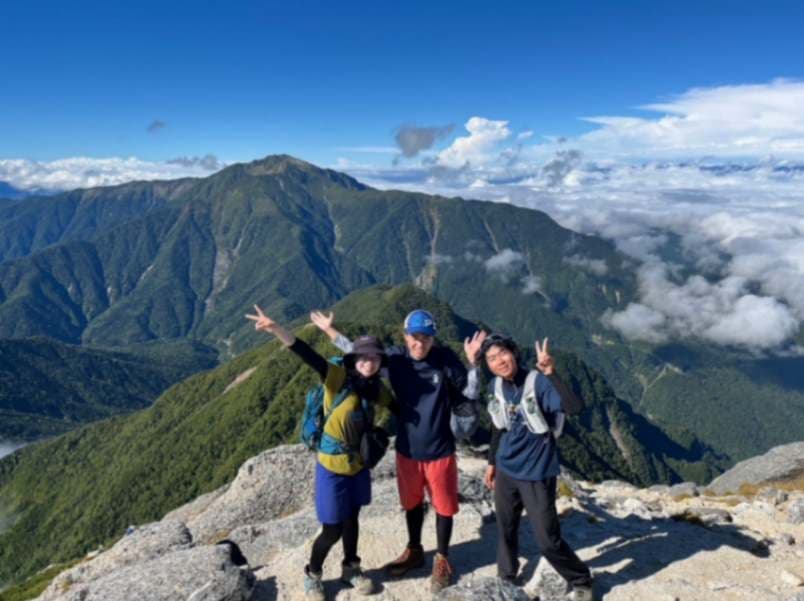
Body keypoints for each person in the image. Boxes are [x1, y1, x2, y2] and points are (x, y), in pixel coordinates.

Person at [310, 309, 483, 593]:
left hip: (440, 449)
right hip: (407, 451)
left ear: (432, 338)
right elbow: (361, 356)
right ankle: (414, 549)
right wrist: (331, 331)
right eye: (415, 337)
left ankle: (441, 559)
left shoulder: (446, 361)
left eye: (426, 337)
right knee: (412, 504)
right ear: (405, 336)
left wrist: (473, 363)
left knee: (443, 508)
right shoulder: (397, 360)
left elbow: (468, 397)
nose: (420, 343)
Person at [246, 305, 394, 601]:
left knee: (352, 520)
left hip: (358, 464)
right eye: (364, 357)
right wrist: (276, 329)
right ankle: (312, 573)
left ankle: (351, 568)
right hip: (331, 465)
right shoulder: (338, 377)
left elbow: (404, 410)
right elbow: (306, 354)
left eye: (375, 358)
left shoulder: (376, 388)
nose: (369, 362)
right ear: (354, 358)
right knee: (332, 529)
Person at [472, 333, 595, 601]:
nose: (499, 361)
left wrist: (551, 373)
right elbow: (498, 426)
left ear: (514, 353)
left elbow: (574, 407)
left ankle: (580, 579)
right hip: (506, 469)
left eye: (502, 353)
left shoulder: (537, 383)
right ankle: (506, 576)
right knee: (505, 528)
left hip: (537, 473)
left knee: (547, 540)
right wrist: (492, 463)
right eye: (491, 359)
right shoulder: (495, 386)